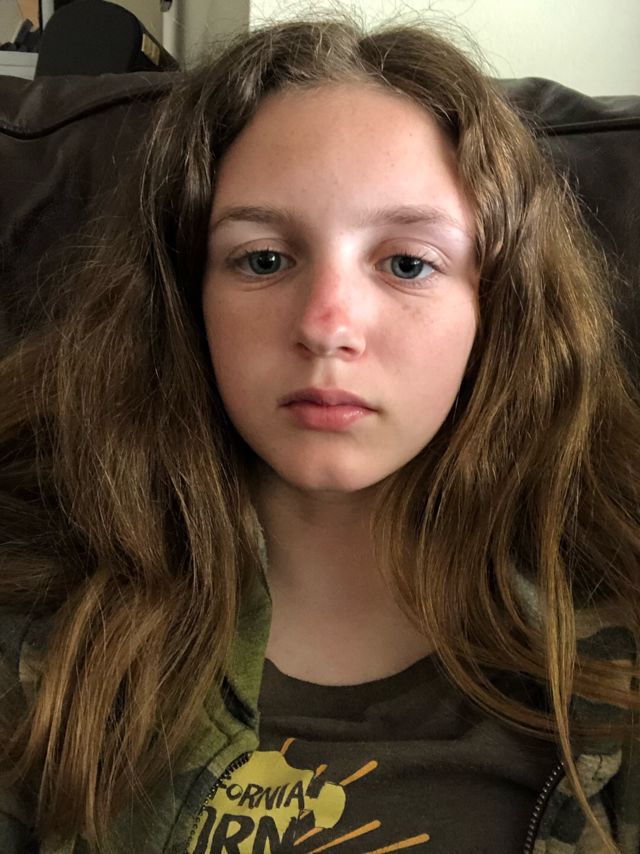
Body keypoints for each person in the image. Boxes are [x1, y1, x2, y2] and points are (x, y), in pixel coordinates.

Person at [0, 12, 639, 854]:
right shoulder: (39, 638)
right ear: (186, 298)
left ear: (500, 308)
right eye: (264, 259)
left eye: (407, 263)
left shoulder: (615, 654)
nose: (326, 325)